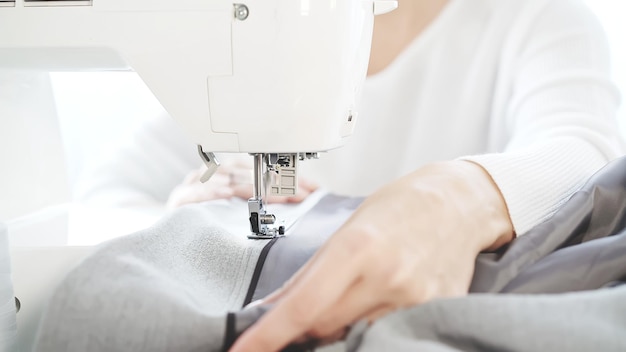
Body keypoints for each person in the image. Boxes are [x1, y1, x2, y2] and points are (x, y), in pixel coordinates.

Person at [74, 0, 625, 351]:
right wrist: (181, 215)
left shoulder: (537, 19)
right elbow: (107, 192)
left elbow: (588, 154)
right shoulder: (248, 36)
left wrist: (456, 200)